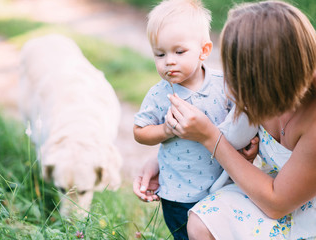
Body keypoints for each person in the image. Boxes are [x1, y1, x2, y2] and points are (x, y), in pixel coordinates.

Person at [160, 1, 316, 239]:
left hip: (296, 209)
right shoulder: (259, 92)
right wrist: (162, 156)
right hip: (280, 194)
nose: (230, 78)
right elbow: (211, 122)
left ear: (265, 72)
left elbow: (276, 203)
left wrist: (209, 137)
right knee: (205, 220)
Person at [133, 0, 258, 238]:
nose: (169, 61)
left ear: (204, 50)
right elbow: (140, 131)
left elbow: (242, 119)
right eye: (160, 54)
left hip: (224, 186)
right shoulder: (160, 94)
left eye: (179, 52)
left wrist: (251, 145)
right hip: (178, 194)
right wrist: (166, 131)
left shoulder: (224, 85)